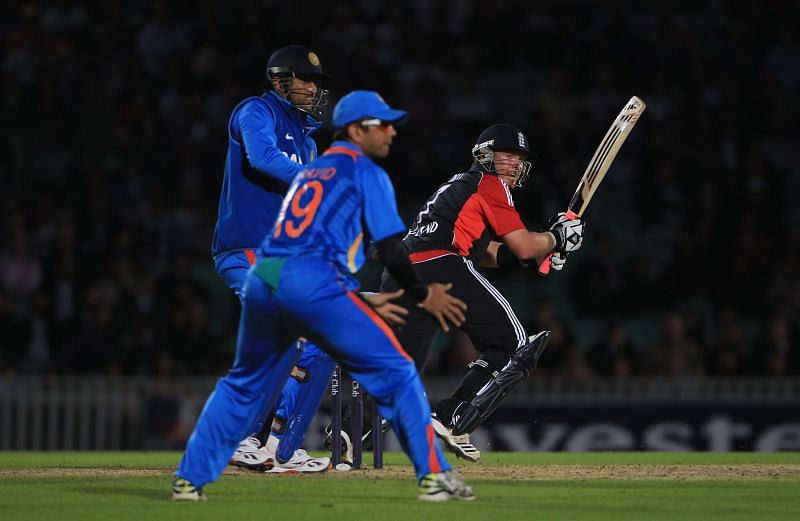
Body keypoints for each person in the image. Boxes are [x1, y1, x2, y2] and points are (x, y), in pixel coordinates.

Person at [172, 90, 475, 502]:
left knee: (243, 382)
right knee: (398, 372)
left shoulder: (310, 172)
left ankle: (192, 477)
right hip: (310, 280)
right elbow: (390, 251)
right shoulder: (365, 174)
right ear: (354, 130)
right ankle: (435, 479)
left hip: (272, 273)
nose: (390, 132)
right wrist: (421, 294)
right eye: (380, 124)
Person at [379, 123, 585, 461]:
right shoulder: (490, 184)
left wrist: (543, 250)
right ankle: (452, 417)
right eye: (507, 157)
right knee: (513, 343)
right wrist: (555, 239)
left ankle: (347, 433)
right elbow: (522, 247)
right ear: (484, 156)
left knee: (400, 368)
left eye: (519, 159)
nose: (515, 165)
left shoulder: (458, 186)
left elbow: (487, 251)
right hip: (442, 265)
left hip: (402, 271)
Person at [210, 44, 332, 473]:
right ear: (281, 79)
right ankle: (238, 438)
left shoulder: (309, 140)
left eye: (316, 81)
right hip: (244, 250)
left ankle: (278, 448)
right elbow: (261, 158)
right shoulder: (254, 112)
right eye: (307, 79)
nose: (314, 88)